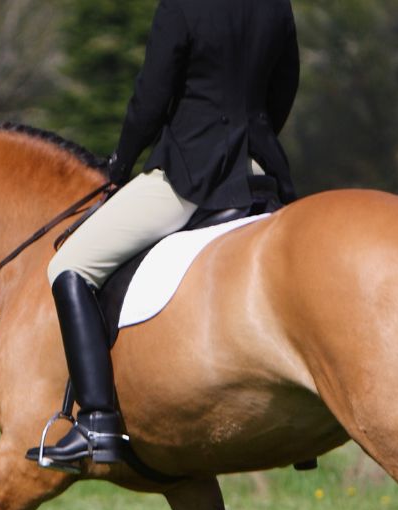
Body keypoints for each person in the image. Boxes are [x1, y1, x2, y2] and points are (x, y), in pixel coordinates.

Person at [27, 0, 300, 471]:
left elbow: (151, 96)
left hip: (192, 174)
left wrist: (120, 163)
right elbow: (284, 85)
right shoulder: (275, 5)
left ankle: (96, 421)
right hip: (259, 170)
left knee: (69, 265)